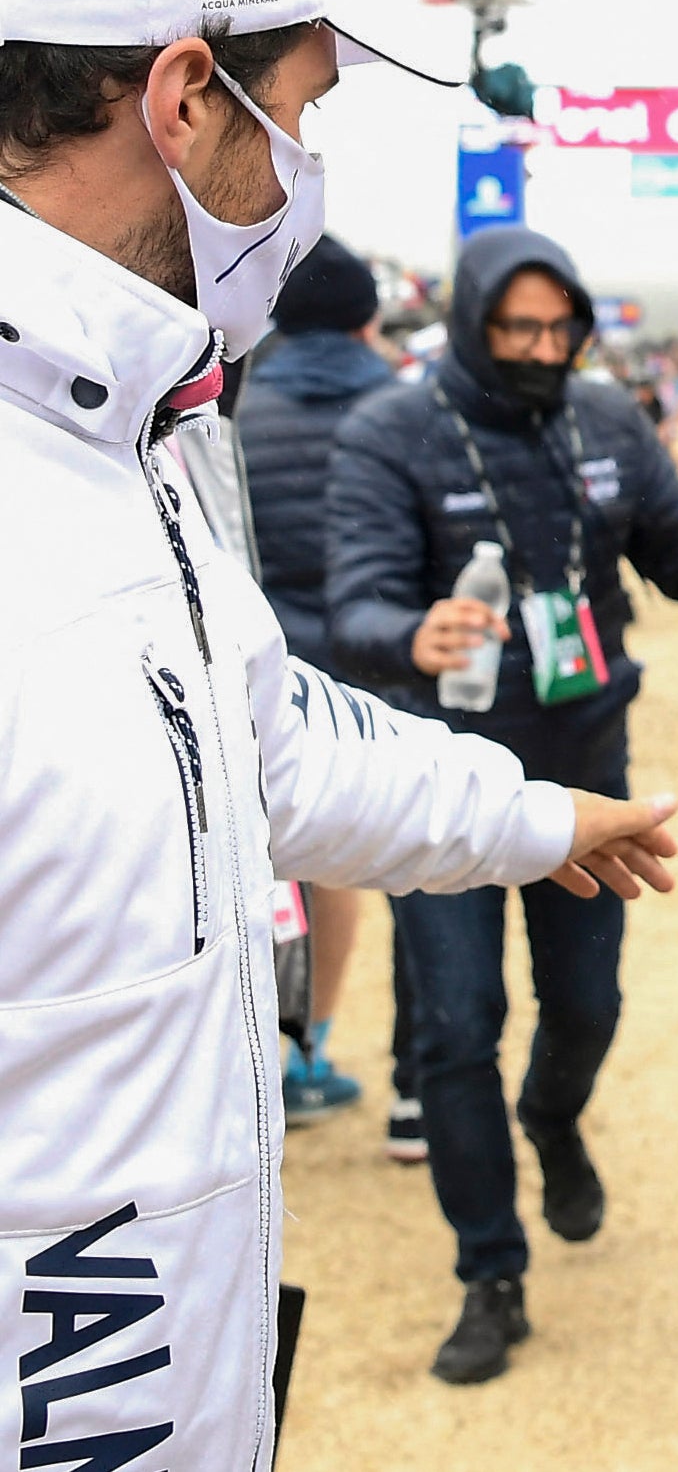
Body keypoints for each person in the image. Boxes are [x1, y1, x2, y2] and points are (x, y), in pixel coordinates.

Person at [0, 0, 678, 1467]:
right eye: (299, 112)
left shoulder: (144, 418)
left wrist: (528, 808)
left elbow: (266, 734)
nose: (306, 168)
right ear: (184, 99)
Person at [327, 224, 678, 1384]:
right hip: (440, 783)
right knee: (454, 1026)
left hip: (587, 773)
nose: (545, 349)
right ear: (470, 322)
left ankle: (552, 1116)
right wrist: (413, 632)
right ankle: (488, 1271)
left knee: (587, 1004)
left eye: (562, 328)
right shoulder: (389, 430)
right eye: (520, 328)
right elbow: (352, 604)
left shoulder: (605, 420)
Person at [236, 234, 414, 1140]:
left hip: (256, 668)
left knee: (251, 860)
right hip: (369, 669)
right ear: (365, 317)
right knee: (345, 859)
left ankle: (251, 1057)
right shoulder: (400, 408)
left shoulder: (237, 407)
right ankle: (317, 1047)